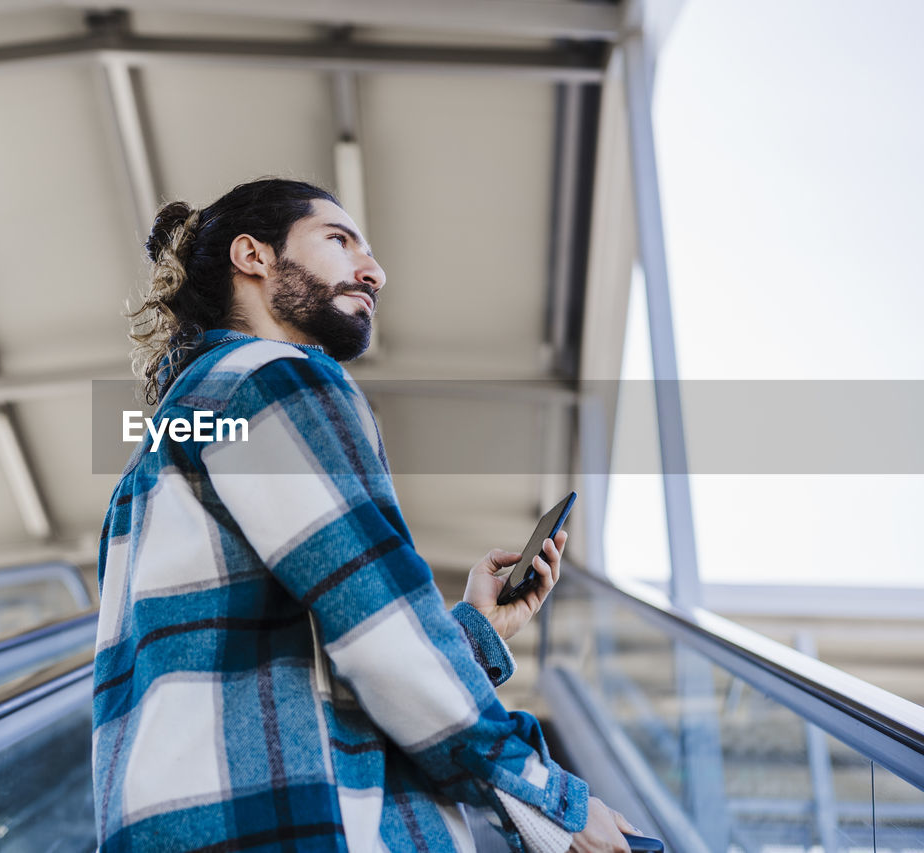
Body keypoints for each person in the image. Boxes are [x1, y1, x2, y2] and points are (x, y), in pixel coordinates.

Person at [93, 178, 636, 852]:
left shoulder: (160, 451)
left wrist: (473, 631)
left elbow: (309, 653)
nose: (374, 271)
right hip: (300, 822)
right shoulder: (278, 378)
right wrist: (549, 800)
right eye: (340, 240)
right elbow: (380, 630)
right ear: (252, 255)